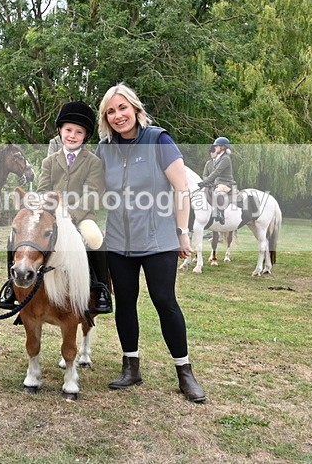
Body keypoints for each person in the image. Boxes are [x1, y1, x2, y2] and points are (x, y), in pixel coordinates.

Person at [95, 83, 206, 403]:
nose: (118, 116)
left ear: (135, 109)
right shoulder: (105, 148)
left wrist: (182, 232)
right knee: (125, 302)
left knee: (164, 301)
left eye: (122, 108)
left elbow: (180, 189)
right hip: (118, 241)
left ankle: (185, 373)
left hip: (158, 240)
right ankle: (131, 366)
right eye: (111, 111)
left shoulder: (159, 140)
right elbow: (96, 188)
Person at [0, 101, 112, 314]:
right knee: (13, 237)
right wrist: (43, 208)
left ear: (85, 136)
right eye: (68, 130)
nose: (72, 135)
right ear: (60, 130)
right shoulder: (50, 161)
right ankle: (11, 287)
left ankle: (100, 287)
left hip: (81, 215)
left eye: (79, 132)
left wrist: (71, 213)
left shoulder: (93, 162)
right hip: (50, 214)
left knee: (95, 238)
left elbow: (93, 194)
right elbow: (43, 189)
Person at [198, 137, 235, 225]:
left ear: (222, 147)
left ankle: (220, 213)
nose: (215, 147)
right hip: (218, 183)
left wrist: (205, 182)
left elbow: (216, 172)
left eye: (217, 146)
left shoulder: (225, 158)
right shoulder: (218, 158)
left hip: (227, 183)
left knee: (216, 191)